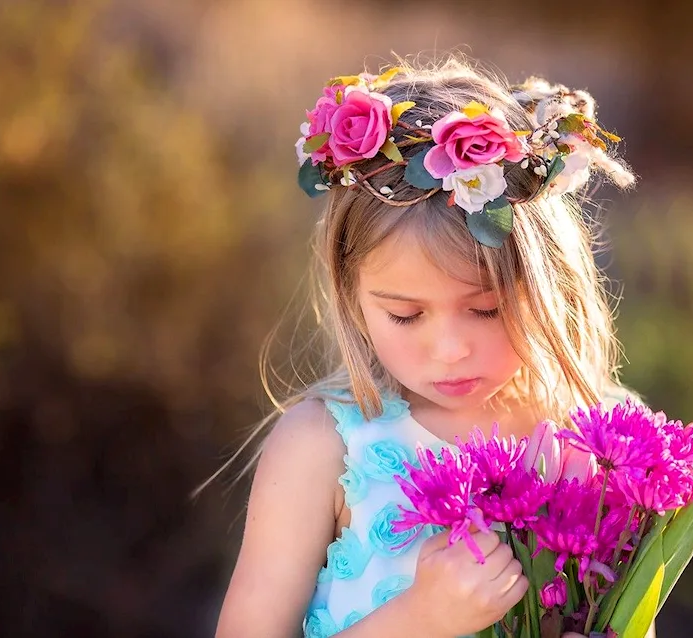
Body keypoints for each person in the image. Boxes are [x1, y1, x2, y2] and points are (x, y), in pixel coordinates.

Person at [211, 55, 651, 637]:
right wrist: (419, 620)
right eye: (405, 314)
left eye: (486, 309)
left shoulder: (598, 437)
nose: (448, 348)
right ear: (352, 295)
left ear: (549, 281)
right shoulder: (323, 446)